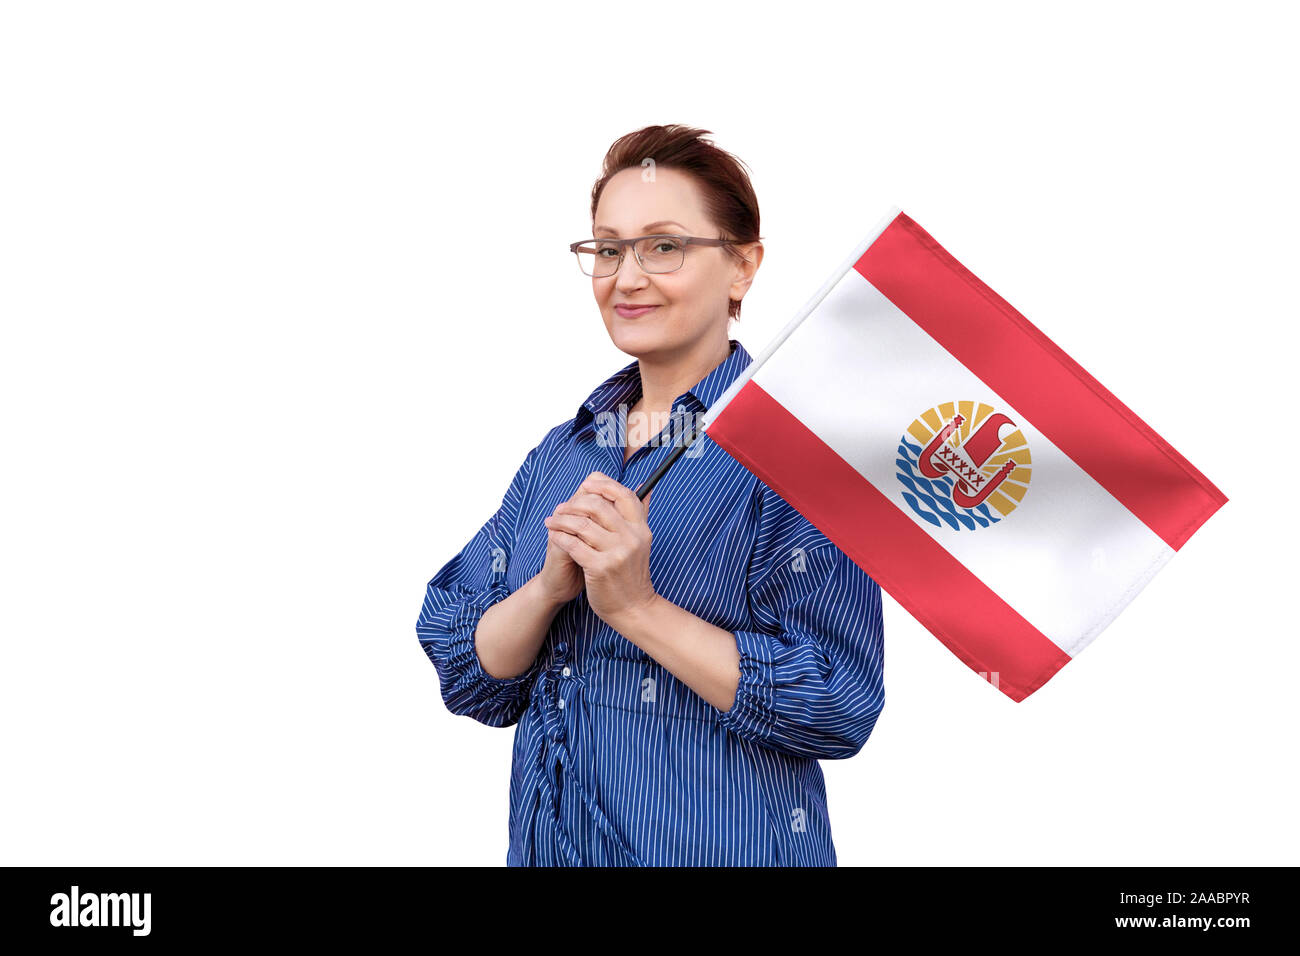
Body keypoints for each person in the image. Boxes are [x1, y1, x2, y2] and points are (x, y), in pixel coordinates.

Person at [415, 124, 885, 866]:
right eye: (607, 249)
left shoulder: (800, 458)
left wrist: (636, 607)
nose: (626, 277)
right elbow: (469, 672)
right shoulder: (563, 453)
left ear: (742, 267)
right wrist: (544, 592)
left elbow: (837, 704)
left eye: (663, 246)